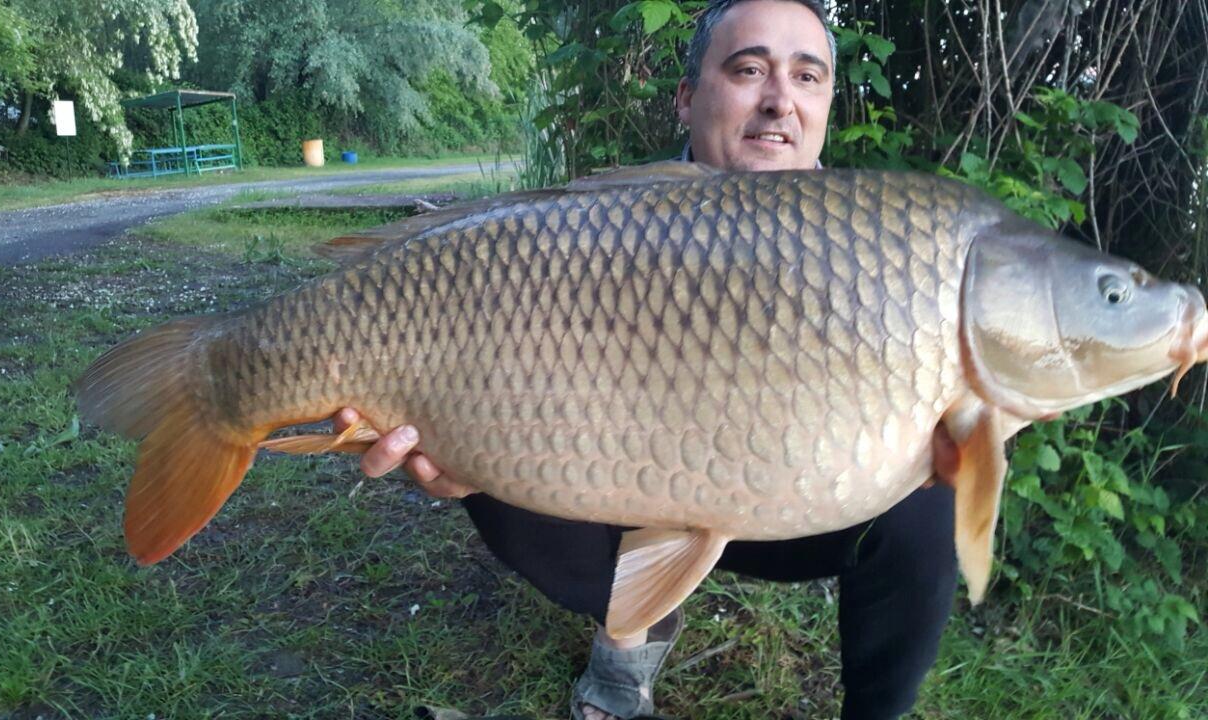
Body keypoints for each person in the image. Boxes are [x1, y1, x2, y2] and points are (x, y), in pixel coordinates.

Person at [334, 2, 959, 718]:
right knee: (486, 455)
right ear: (688, 98)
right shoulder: (593, 229)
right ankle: (630, 632)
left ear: (824, 104)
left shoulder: (884, 248)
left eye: (807, 76)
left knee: (929, 496)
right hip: (613, 488)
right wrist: (451, 447)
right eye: (748, 69)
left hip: (797, 505)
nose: (779, 99)